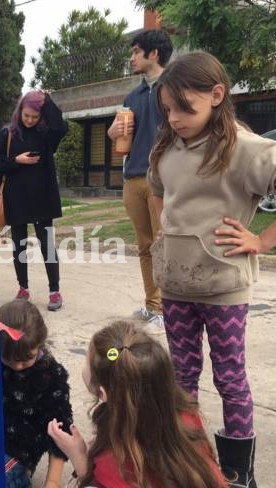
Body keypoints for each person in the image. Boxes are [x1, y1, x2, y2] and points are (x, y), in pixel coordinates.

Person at [148, 52, 276, 487]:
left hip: (224, 288)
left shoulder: (245, 149)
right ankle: (186, 461)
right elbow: (157, 189)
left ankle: (239, 473)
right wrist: (163, 236)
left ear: (216, 95)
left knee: (229, 377)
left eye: (183, 108)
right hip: (175, 288)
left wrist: (262, 240)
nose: (173, 118)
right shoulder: (167, 148)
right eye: (167, 109)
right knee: (181, 378)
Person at [48, 321, 226, 487]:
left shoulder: (115, 463)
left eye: (87, 359)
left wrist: (78, 457)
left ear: (103, 393)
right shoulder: (187, 415)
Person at [107, 29, 173, 330]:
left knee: (164, 246)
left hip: (164, 180)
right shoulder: (132, 96)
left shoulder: (174, 89)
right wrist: (112, 133)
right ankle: (153, 305)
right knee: (145, 246)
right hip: (133, 179)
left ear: (153, 54)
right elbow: (120, 138)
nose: (132, 57)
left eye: (136, 51)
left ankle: (169, 309)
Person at [0, 90, 68, 311]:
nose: (30, 120)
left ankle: (55, 291)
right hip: (17, 199)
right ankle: (23, 288)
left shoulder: (47, 134)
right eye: (27, 115)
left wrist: (48, 101)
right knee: (19, 246)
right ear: (20, 111)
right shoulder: (9, 133)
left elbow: (61, 128)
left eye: (35, 116)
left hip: (43, 198)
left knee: (48, 246)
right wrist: (17, 160)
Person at [0, 299, 73, 488]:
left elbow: (60, 430)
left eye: (26, 359)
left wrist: (53, 482)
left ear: (40, 343)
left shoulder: (52, 376)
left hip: (19, 452)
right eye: (9, 359)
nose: (17, 366)